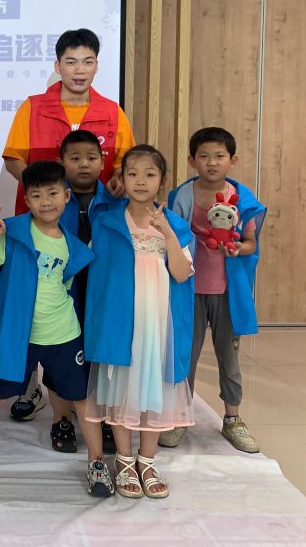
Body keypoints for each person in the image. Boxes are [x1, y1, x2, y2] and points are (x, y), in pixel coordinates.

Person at [0, 161, 113, 498]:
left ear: (66, 196)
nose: (45, 202)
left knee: (82, 400)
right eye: (36, 195)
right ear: (27, 199)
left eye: (52, 193)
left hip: (64, 336)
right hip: (19, 338)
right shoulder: (12, 232)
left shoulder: (72, 245)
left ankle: (97, 463)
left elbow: (67, 287)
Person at [2, 28, 136, 422]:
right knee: (37, 298)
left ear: (97, 65)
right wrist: (44, 191)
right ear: (57, 65)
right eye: (71, 62)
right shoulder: (33, 107)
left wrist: (119, 178)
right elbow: (13, 159)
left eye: (87, 62)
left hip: (97, 222)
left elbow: (126, 163)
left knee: (87, 300)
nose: (79, 70)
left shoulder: (112, 112)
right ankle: (31, 386)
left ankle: (86, 389)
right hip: (42, 224)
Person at [83, 145, 195, 499]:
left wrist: (168, 233)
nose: (141, 181)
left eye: (150, 174)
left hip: (159, 324)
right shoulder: (107, 222)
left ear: (163, 181)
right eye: (132, 173)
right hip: (121, 323)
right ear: (121, 178)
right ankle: (124, 459)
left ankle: (147, 460)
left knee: (155, 386)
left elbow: (182, 273)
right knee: (122, 386)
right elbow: (95, 275)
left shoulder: (175, 224)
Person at [158, 127, 267, 453]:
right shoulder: (181, 196)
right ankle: (179, 417)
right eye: (204, 156)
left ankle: (233, 418)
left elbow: (250, 243)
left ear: (233, 160)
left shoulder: (243, 200)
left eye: (219, 156)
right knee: (184, 355)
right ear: (192, 160)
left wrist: (237, 249)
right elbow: (170, 239)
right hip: (188, 290)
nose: (212, 162)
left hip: (226, 292)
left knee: (228, 358)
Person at [51, 130, 117, 455]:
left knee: (100, 353)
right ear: (61, 162)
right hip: (63, 290)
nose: (84, 165)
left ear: (103, 162)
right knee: (60, 352)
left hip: (102, 289)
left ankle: (101, 418)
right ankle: (61, 419)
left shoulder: (114, 201)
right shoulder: (54, 200)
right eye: (75, 158)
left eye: (91, 158)